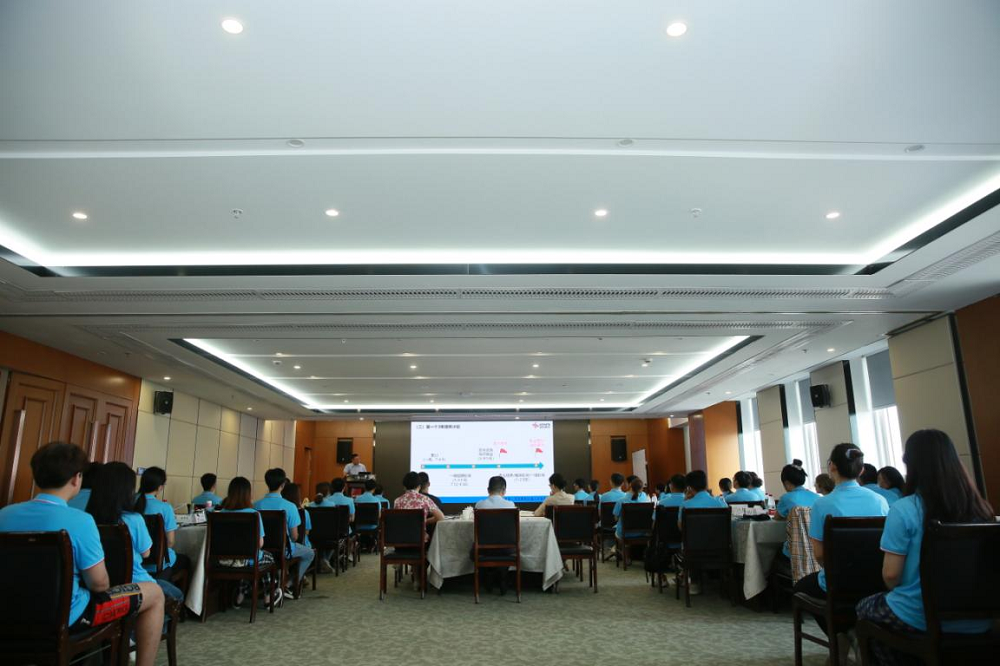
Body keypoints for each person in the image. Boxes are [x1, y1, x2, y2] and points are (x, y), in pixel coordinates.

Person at [0, 442, 164, 666]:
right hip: (70, 617)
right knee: (155, 593)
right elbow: (99, 584)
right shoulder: (81, 521)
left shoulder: (4, 514)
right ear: (77, 479)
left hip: (8, 613)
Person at [856, 430, 995, 664]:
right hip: (979, 621)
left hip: (919, 615)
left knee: (864, 608)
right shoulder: (982, 511)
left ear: (911, 465)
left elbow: (891, 576)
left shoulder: (904, 509)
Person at [793, 443, 889, 636]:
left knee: (800, 588)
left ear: (832, 467)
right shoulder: (880, 501)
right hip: (877, 580)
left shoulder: (822, 504)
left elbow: (820, 555)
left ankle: (838, 636)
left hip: (838, 580)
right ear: (861, 470)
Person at [87, 461, 184, 635]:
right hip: (135, 581)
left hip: (100, 582)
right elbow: (146, 553)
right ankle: (139, 633)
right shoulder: (133, 519)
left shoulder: (87, 519)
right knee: (176, 595)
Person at [253, 468, 316, 597]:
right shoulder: (290, 506)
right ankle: (288, 584)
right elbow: (294, 536)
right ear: (283, 485)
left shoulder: (256, 505)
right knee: (309, 553)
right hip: (284, 550)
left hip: (261, 549)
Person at [218, 477, 277, 606]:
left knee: (250, 559)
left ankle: (241, 593)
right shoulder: (254, 514)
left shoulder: (220, 513)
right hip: (247, 560)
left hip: (223, 560)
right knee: (268, 557)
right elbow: (260, 544)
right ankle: (267, 596)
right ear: (248, 494)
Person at [135, 467, 191, 586]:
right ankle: (175, 595)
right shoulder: (165, 508)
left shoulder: (128, 503)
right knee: (186, 560)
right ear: (160, 487)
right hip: (158, 564)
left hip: (133, 562)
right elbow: (170, 542)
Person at [773, 459, 819, 561]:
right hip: (817, 550)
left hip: (795, 552)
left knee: (773, 551)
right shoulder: (817, 498)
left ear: (786, 483)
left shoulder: (786, 498)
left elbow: (776, 518)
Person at [393, 471, 445, 537]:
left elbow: (396, 520)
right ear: (419, 486)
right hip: (419, 539)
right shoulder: (425, 499)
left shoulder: (397, 501)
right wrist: (425, 521)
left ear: (404, 487)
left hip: (400, 538)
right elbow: (441, 517)